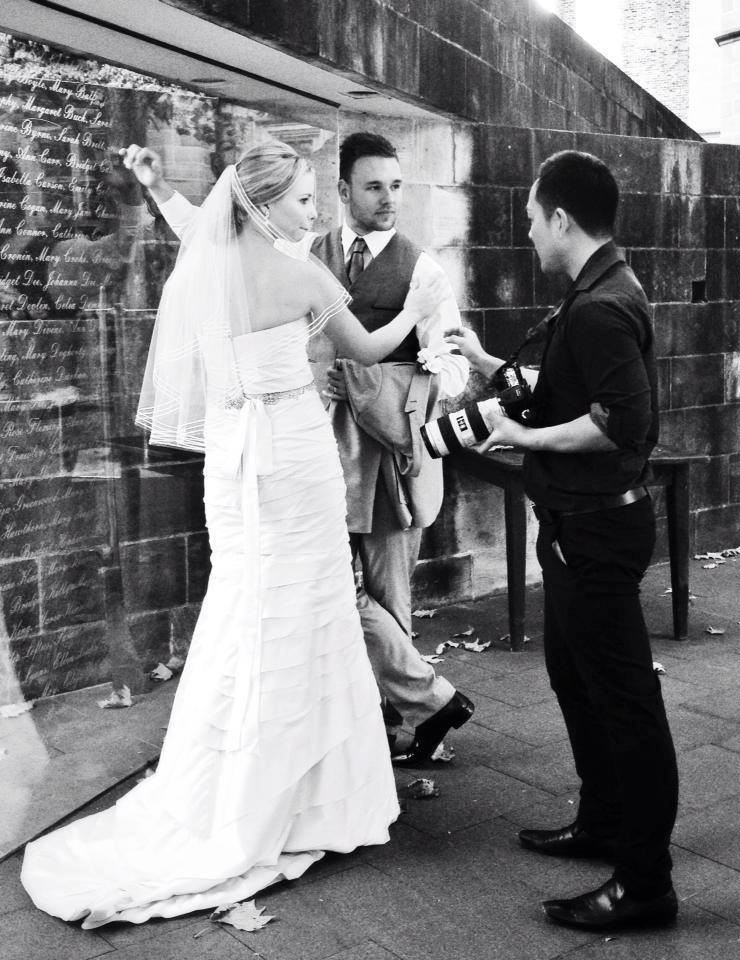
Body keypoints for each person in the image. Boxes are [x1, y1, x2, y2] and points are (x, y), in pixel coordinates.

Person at [20, 140, 449, 927]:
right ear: (259, 205)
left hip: (233, 468)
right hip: (290, 457)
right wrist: (419, 313)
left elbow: (194, 226)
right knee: (308, 608)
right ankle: (305, 799)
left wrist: (157, 189)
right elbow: (368, 347)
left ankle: (231, 781)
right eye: (300, 199)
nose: (313, 210)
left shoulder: (210, 264)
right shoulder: (302, 273)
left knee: (247, 605)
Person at [448, 150, 679, 930]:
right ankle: (604, 820)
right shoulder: (598, 289)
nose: (526, 237)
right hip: (578, 525)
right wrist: (488, 364)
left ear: (561, 219)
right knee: (575, 678)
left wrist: (520, 434)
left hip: (598, 528)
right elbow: (577, 386)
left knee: (625, 702)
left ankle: (646, 883)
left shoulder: (599, 306)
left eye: (530, 222)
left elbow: (623, 421)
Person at [318, 132, 474, 766]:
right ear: (344, 191)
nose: (389, 200)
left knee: (387, 596)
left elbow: (457, 368)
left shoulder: (424, 269)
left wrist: (376, 382)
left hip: (392, 460)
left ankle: (402, 730)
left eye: (397, 185)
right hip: (319, 455)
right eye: (375, 186)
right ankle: (394, 712)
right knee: (330, 592)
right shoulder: (309, 253)